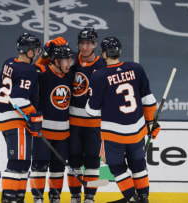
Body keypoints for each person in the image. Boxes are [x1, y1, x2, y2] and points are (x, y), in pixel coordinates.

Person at [85, 36, 161, 203]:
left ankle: (131, 198)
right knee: (139, 164)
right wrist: (150, 123)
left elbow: (91, 111)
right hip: (137, 131)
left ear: (104, 53)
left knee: (118, 167)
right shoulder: (136, 68)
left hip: (113, 134)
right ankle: (143, 198)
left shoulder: (99, 76)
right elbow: (149, 100)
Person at [0, 32, 43, 203]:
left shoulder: (9, 62)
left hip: (5, 117)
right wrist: (33, 115)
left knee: (23, 163)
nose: (36, 53)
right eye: (35, 50)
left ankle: (18, 199)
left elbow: (5, 87)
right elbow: (19, 98)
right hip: (15, 120)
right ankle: (8, 200)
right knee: (17, 161)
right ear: (29, 52)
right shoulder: (27, 70)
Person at [30, 42, 75, 203]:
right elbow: (33, 70)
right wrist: (44, 55)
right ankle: (37, 199)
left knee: (58, 168)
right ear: (56, 61)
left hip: (63, 134)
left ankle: (55, 198)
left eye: (70, 60)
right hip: (42, 133)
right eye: (66, 60)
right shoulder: (42, 72)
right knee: (39, 167)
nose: (69, 63)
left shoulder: (69, 74)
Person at [68, 27, 106, 203]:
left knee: (92, 162)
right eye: (82, 43)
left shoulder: (102, 65)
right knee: (74, 161)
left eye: (89, 43)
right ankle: (75, 196)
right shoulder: (71, 60)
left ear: (95, 44)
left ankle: (90, 198)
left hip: (94, 124)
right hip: (73, 123)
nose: (85, 47)